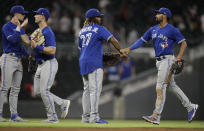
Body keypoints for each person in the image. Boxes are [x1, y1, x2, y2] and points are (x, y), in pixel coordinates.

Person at [120, 7, 198, 125]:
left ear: (165, 15)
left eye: (158, 13)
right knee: (171, 86)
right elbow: (141, 41)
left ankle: (156, 115)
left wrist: (178, 58)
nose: (156, 15)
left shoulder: (172, 30)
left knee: (160, 87)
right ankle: (190, 107)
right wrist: (129, 49)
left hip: (167, 60)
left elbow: (184, 43)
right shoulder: (153, 29)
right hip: (159, 62)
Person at [78, 8, 126, 124]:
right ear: (94, 18)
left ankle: (85, 117)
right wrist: (121, 50)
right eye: (98, 16)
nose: (100, 18)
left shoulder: (82, 30)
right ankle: (94, 117)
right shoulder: (99, 29)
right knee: (95, 90)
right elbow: (112, 39)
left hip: (83, 61)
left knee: (87, 90)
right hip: (94, 62)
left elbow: (81, 48)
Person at [30, 8, 70, 123]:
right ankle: (62, 103)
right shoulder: (37, 31)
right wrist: (19, 29)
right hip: (40, 65)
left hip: (49, 63)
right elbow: (29, 42)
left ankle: (52, 117)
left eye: (37, 14)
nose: (35, 16)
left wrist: (36, 47)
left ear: (42, 16)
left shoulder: (48, 32)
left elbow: (52, 50)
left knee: (44, 91)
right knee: (37, 92)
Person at [0, 5, 30, 122]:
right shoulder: (7, 26)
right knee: (4, 88)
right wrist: (19, 27)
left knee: (15, 89)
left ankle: (14, 115)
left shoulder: (21, 28)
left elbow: (20, 45)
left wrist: (28, 56)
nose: (23, 15)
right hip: (8, 58)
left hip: (18, 60)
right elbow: (12, 40)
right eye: (22, 13)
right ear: (16, 14)